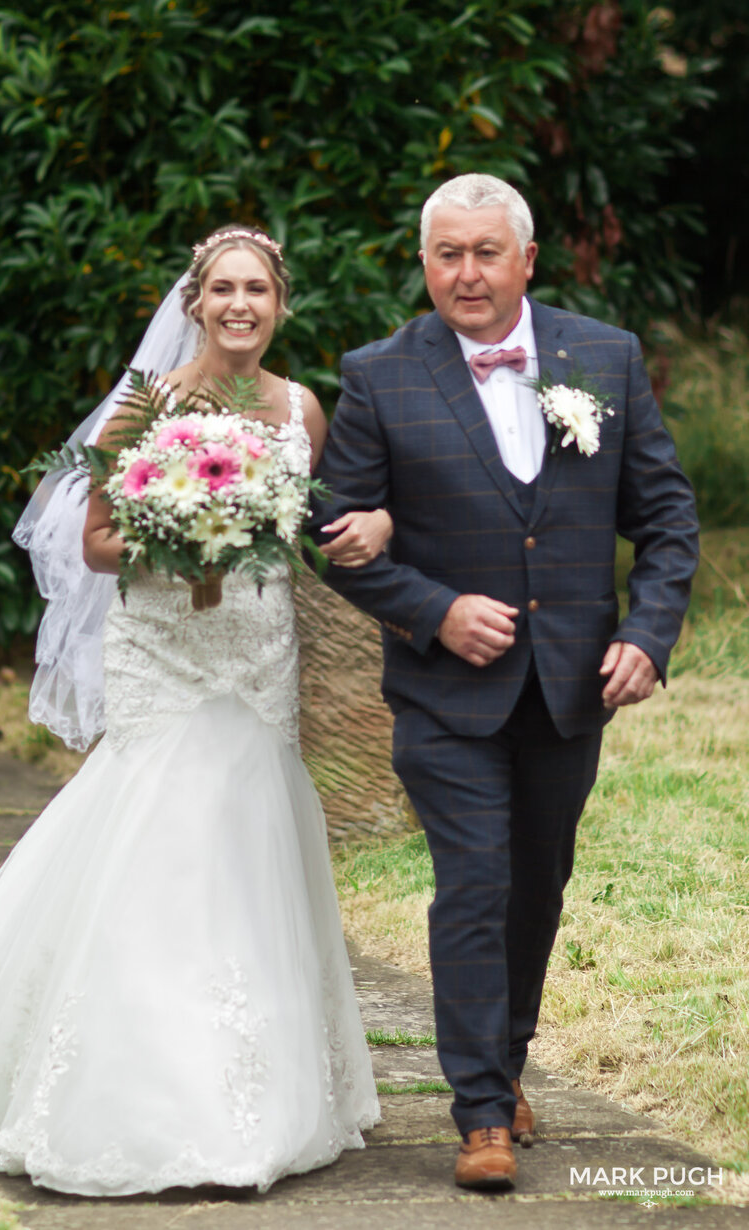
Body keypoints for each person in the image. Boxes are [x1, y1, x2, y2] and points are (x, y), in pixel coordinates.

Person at [0, 224, 386, 1196]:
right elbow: (96, 542)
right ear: (195, 303)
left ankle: (259, 1089)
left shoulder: (301, 410)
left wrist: (328, 538)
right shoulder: (143, 408)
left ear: (281, 305)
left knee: (251, 844)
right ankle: (145, 1090)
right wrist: (181, 528)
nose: (241, 305)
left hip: (256, 653)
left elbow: (308, 533)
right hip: (164, 650)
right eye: (224, 289)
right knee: (159, 840)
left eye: (258, 291)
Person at [309, 174, 699, 1192]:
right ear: (424, 261)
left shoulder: (602, 356)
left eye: (486, 253)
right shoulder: (378, 375)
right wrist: (432, 607)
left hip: (570, 687)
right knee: (474, 887)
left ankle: (506, 1065)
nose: (466, 273)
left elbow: (662, 519)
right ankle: (479, 1113)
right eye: (447, 254)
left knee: (536, 889)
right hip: (445, 695)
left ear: (527, 260)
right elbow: (335, 542)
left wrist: (648, 637)